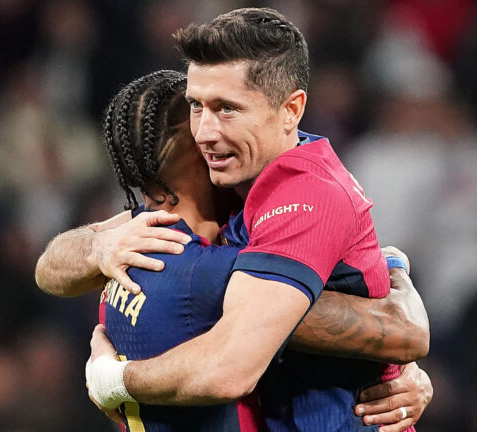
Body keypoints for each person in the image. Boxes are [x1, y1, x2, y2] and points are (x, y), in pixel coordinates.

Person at [45, 7, 427, 430]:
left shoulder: (303, 199)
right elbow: (50, 266)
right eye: (196, 106)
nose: (205, 132)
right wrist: (99, 246)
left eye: (227, 108)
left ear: (291, 110)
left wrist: (112, 381)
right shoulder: (222, 187)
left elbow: (230, 368)